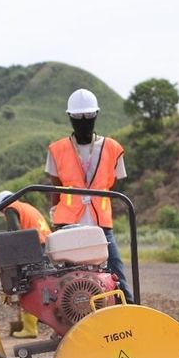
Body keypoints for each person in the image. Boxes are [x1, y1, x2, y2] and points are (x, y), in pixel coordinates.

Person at [45, 88, 131, 302]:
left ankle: (129, 308)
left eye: (88, 117)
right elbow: (56, 187)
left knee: (116, 269)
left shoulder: (112, 148)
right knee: (63, 278)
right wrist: (55, 216)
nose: (83, 121)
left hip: (100, 223)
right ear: (70, 118)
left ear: (95, 116)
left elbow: (112, 182)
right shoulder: (57, 150)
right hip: (68, 224)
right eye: (78, 117)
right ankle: (63, 319)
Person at [0, 189, 51, 339]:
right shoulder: (25, 206)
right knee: (39, 285)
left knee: (27, 285)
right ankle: (35, 321)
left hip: (34, 248)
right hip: (46, 245)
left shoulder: (10, 208)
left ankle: (30, 329)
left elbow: (15, 234)